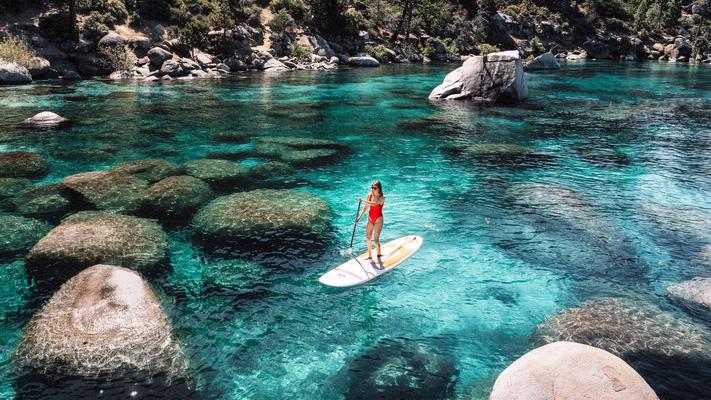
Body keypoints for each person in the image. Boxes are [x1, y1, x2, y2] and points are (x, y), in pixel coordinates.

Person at [357, 180, 385, 260]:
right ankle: (370, 255)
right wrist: (359, 217)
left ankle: (379, 255)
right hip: (370, 218)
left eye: (375, 188)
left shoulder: (382, 197)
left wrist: (362, 201)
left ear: (379, 188)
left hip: (378, 220)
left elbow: (375, 204)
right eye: (372, 187)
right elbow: (366, 207)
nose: (373, 189)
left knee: (376, 240)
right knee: (368, 238)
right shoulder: (369, 196)